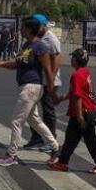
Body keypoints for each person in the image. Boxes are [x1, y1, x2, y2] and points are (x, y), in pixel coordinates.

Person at [0, 17, 60, 166]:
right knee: (34, 121)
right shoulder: (26, 45)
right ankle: (55, 149)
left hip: (31, 87)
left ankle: (11, 155)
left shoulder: (40, 46)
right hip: (25, 87)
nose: (20, 30)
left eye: (22, 27)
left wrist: (51, 89)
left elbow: (48, 69)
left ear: (29, 29)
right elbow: (16, 64)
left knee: (16, 121)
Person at [49, 48, 96, 173]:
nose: (71, 59)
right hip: (88, 110)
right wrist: (62, 98)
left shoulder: (76, 75)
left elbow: (77, 97)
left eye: (73, 57)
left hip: (84, 112)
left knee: (89, 139)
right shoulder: (84, 72)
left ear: (76, 60)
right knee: (71, 138)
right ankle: (62, 162)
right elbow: (74, 92)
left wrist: (80, 116)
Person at [25, 14, 61, 153]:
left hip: (49, 81)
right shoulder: (40, 38)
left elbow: (56, 60)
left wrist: (50, 80)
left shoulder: (50, 39)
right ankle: (36, 137)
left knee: (48, 112)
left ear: (40, 26)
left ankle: (52, 140)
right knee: (30, 110)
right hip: (40, 80)